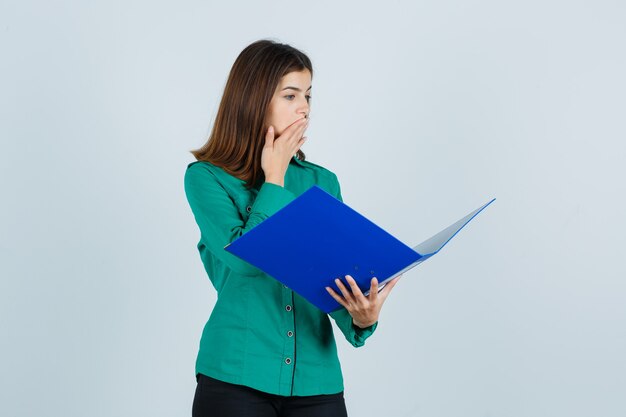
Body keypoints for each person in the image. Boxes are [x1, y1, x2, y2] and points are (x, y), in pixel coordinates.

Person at [184, 39, 401, 417]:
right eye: (290, 95)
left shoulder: (322, 183)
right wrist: (275, 178)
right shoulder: (206, 178)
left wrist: (361, 318)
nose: (304, 107)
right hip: (235, 377)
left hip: (317, 383)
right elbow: (247, 260)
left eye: (308, 96)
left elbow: (330, 277)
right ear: (254, 98)